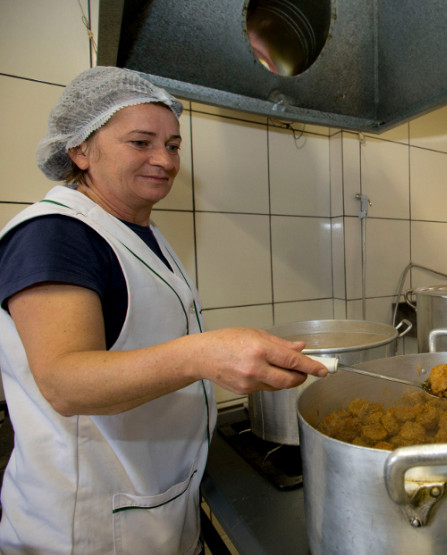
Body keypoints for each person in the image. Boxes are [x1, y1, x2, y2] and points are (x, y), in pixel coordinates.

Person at [0, 66, 327, 554]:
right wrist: (204, 355)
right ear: (80, 150)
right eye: (140, 142)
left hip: (154, 508)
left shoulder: (138, 231)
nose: (164, 159)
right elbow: (64, 381)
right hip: (86, 530)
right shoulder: (55, 234)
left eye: (173, 145)